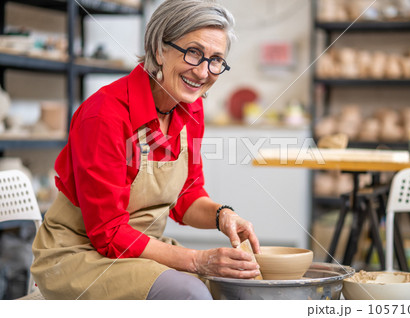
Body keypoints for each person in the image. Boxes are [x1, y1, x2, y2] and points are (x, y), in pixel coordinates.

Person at [31, 0, 261, 300]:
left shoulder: (190, 111)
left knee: (237, 288)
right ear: (158, 50)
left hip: (137, 251)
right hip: (78, 255)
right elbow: (108, 232)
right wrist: (196, 260)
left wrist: (223, 216)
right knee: (191, 295)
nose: (204, 72)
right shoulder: (104, 114)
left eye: (216, 59)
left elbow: (187, 197)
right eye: (194, 53)